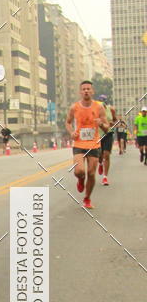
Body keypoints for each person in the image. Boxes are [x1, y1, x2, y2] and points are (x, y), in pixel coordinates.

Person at [65, 80, 108, 210]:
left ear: (92, 91)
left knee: (91, 173)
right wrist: (71, 132)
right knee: (79, 171)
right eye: (83, 89)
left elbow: (107, 128)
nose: (86, 91)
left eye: (88, 89)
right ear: (80, 92)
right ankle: (80, 179)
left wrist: (101, 124)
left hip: (94, 144)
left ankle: (87, 198)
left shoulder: (99, 107)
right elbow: (68, 122)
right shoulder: (74, 107)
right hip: (79, 143)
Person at [97, 94, 117, 186]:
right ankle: (100, 164)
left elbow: (116, 121)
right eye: (100, 102)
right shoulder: (95, 110)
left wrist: (111, 123)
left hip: (108, 134)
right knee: (100, 155)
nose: (102, 104)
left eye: (103, 102)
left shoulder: (111, 109)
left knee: (107, 155)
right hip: (98, 135)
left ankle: (105, 177)